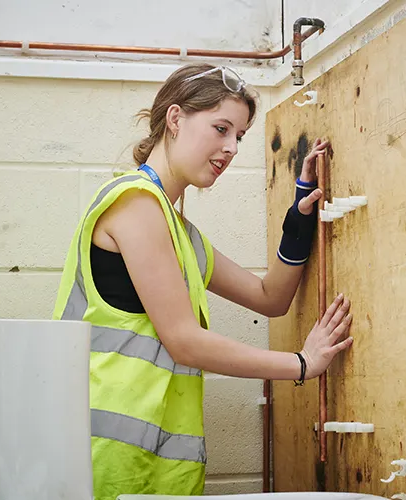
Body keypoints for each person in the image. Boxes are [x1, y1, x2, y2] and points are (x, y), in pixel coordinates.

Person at [52, 63, 354, 499]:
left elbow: (271, 298)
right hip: (104, 461)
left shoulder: (182, 235)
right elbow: (184, 341)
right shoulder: (135, 204)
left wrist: (299, 215)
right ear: (175, 120)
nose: (231, 148)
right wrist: (302, 364)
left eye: (240, 136)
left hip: (158, 466)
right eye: (220, 128)